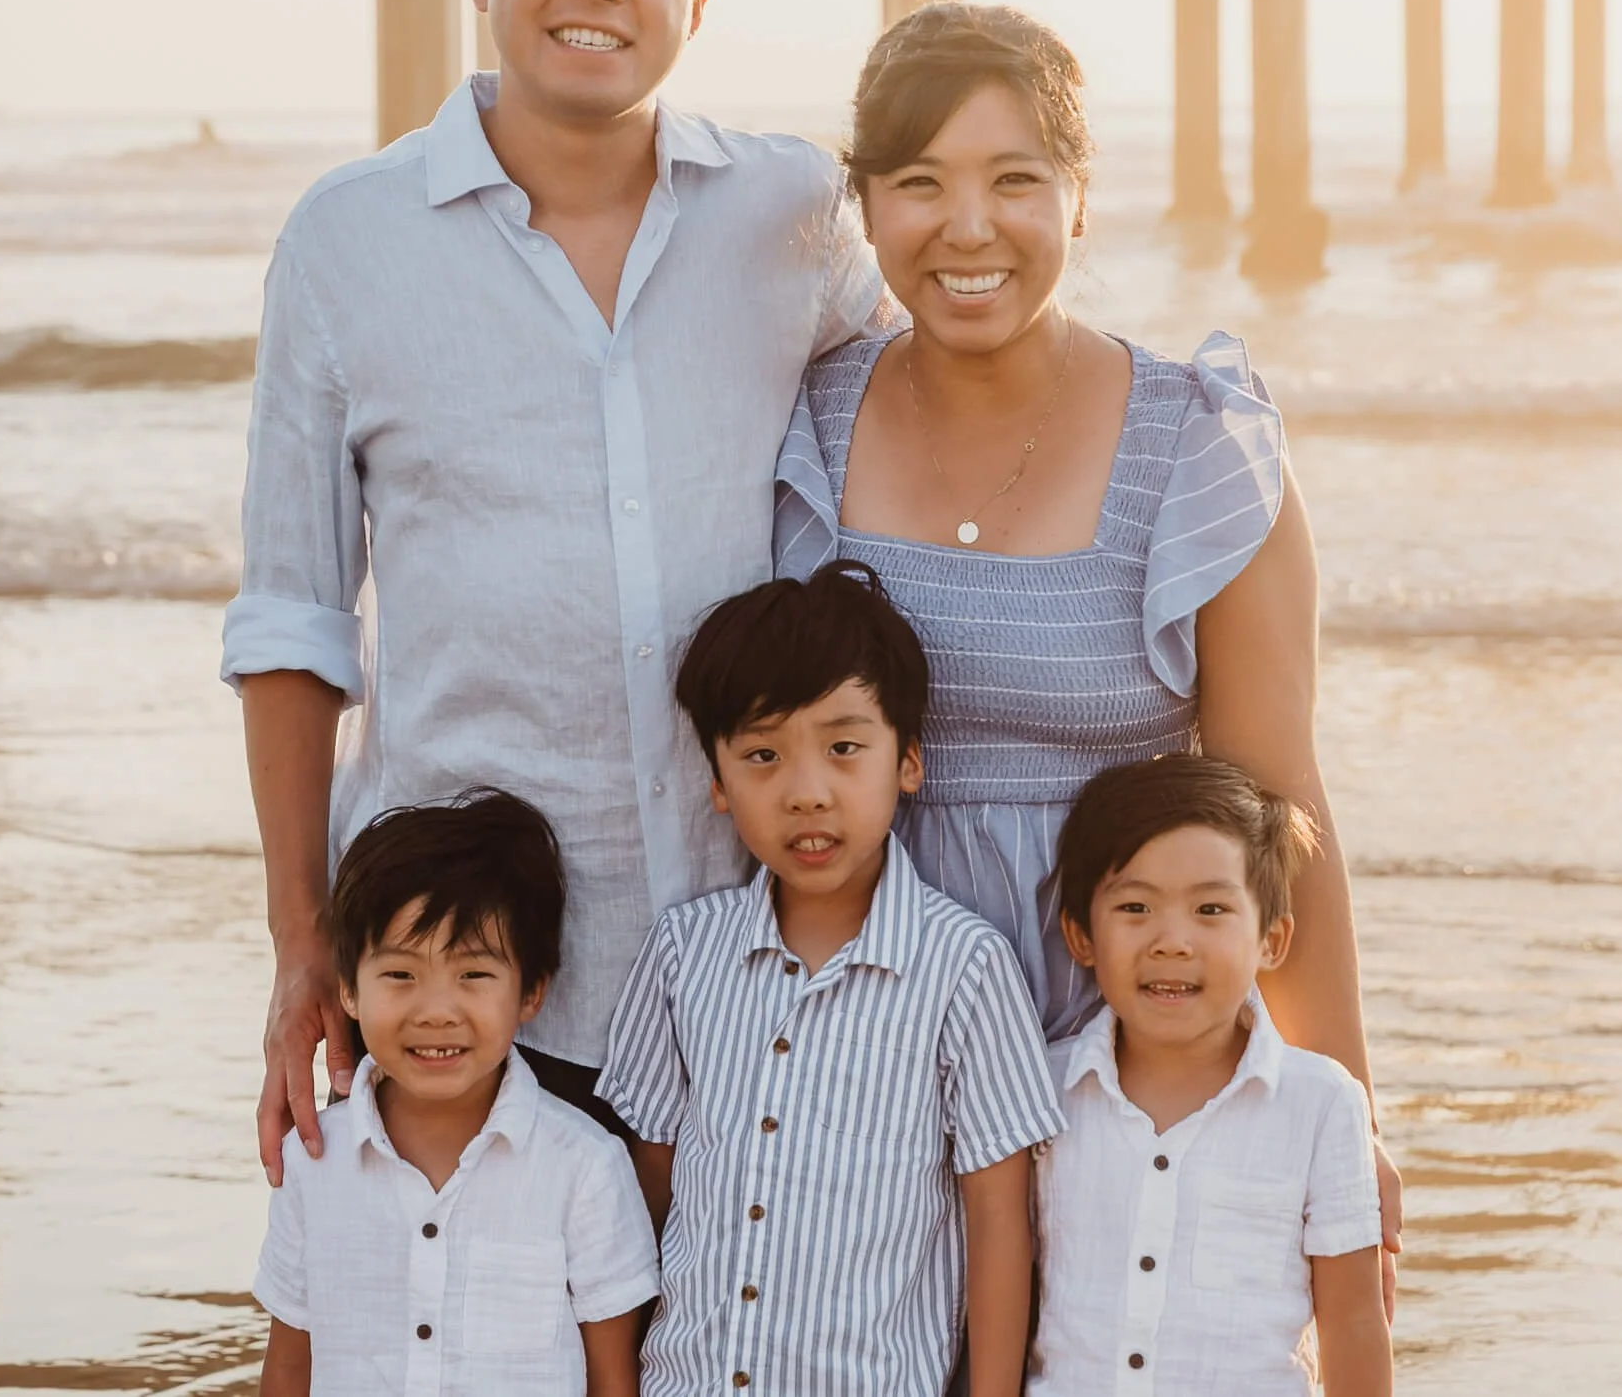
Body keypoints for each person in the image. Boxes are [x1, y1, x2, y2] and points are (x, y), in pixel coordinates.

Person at [223, 0, 884, 1184]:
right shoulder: (349, 240)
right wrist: (299, 941)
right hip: (463, 981)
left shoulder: (795, 217)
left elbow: (935, 400)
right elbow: (293, 616)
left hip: (750, 954)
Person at [771, 1, 1401, 1301]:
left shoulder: (1198, 451)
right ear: (866, 202)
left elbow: (1280, 805)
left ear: (1077, 195)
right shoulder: (802, 429)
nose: (968, 226)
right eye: (919, 183)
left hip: (1130, 1062)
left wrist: (1344, 1120)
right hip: (858, 1054)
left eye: (1015, 179)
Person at [597, 561, 1063, 1397]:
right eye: (763, 755)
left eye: (845, 748)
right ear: (717, 782)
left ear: (907, 761)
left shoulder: (964, 967)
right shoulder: (682, 954)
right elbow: (646, 1199)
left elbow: (999, 1225)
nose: (807, 792)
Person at [253, 789, 657, 1397]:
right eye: (400, 975)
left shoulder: (586, 1166)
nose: (437, 1012)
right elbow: (289, 1365)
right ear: (349, 992)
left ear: (531, 993)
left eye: (473, 975)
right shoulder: (312, 1163)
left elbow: (613, 1377)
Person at [1030, 756, 1389, 1397]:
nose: (1172, 940)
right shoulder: (1039, 1090)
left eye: (1211, 910)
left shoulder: (1324, 1102)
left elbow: (1355, 1321)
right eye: (1136, 906)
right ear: (1080, 936)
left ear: (1271, 941)